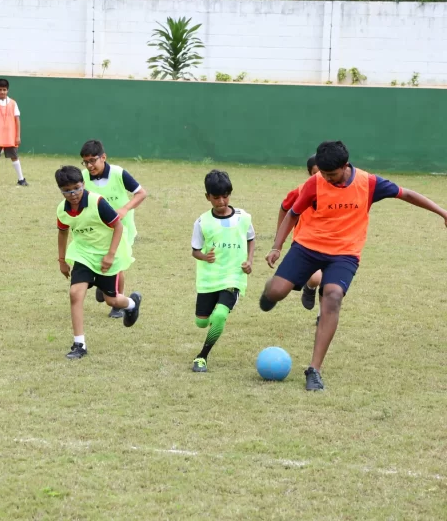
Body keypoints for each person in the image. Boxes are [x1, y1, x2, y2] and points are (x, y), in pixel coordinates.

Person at [260, 141, 447, 391]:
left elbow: (407, 194)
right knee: (276, 292)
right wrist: (276, 246)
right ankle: (270, 293)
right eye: (323, 174)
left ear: (345, 166)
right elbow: (293, 212)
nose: (326, 179)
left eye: (332, 174)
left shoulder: (368, 183)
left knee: (333, 295)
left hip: (344, 253)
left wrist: (442, 212)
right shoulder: (314, 183)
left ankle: (314, 369)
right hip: (307, 247)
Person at [56, 165, 142, 359]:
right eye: (67, 191)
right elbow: (62, 232)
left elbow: (118, 227)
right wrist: (61, 260)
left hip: (106, 255)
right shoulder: (62, 209)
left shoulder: (97, 202)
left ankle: (131, 304)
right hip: (83, 255)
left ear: (83, 184)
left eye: (77, 188)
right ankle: (79, 344)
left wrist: (110, 255)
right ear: (60, 190)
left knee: (111, 300)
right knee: (75, 294)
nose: (73, 194)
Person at [191, 170, 255, 373]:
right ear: (207, 197)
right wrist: (204, 256)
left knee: (219, 316)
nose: (222, 201)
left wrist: (249, 261)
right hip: (209, 279)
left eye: (225, 196)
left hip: (233, 277)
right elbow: (195, 250)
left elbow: (250, 238)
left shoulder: (243, 217)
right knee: (201, 322)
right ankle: (211, 322)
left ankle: (202, 356)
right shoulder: (202, 222)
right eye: (216, 197)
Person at [80, 139, 147, 318]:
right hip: (97, 230)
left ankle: (117, 303)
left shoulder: (118, 173)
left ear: (103, 157)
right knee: (96, 260)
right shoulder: (83, 177)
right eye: (86, 162)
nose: (89, 166)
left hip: (121, 229)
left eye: (93, 160)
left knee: (117, 266)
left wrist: (125, 208)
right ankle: (104, 286)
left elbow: (141, 193)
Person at [278, 155, 323, 322]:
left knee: (331, 281)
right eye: (315, 173)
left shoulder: (339, 190)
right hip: (306, 243)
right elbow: (284, 208)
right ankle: (310, 287)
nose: (319, 177)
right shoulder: (302, 190)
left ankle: (322, 316)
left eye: (323, 172)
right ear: (309, 173)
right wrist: (278, 241)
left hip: (332, 242)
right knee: (316, 278)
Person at [0, 78, 28, 187]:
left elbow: (17, 120)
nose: (2, 92)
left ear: (7, 90)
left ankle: (21, 179)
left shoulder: (13, 103)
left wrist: (17, 136)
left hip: (10, 137)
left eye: (4, 89)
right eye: (0, 89)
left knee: (14, 157)